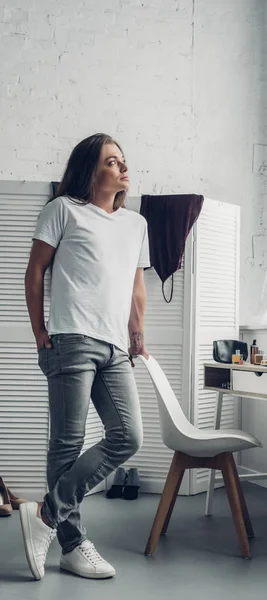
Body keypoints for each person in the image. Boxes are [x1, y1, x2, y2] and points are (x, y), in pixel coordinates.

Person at [21, 133, 149, 581]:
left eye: (123, 160)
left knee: (127, 436)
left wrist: (136, 333)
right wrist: (40, 331)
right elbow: (35, 269)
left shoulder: (136, 225)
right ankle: (73, 546)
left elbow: (136, 286)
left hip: (115, 347)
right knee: (67, 444)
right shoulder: (63, 210)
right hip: (71, 339)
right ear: (90, 171)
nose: (122, 167)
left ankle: (46, 516)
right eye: (111, 161)